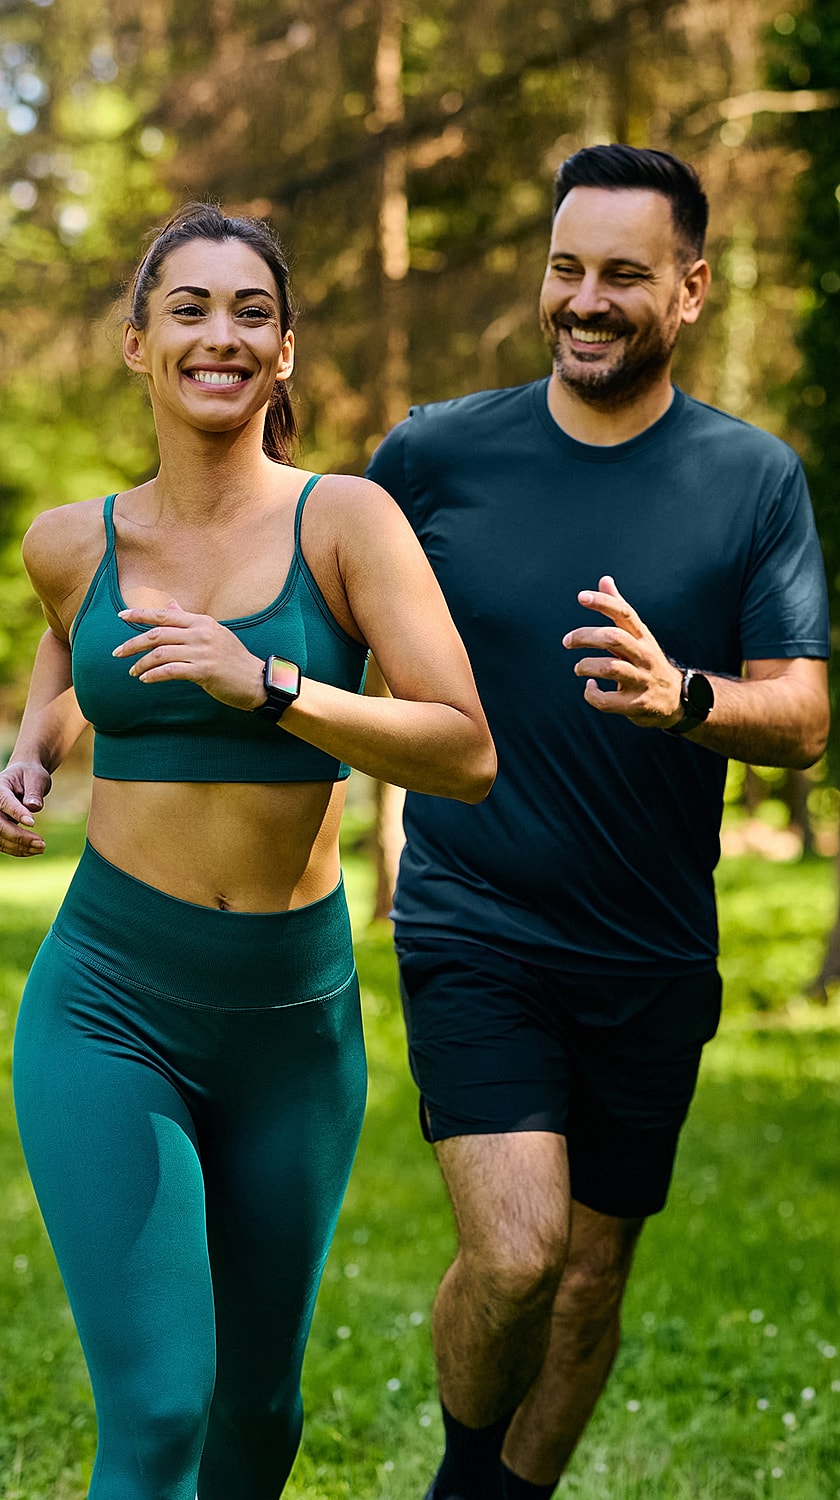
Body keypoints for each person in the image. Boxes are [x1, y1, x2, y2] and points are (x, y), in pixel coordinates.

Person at [0, 202, 495, 1500]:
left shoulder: (347, 524)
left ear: (283, 354)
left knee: (256, 1414)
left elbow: (464, 748)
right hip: (108, 1003)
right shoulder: (70, 541)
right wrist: (32, 748)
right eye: (189, 308)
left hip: (290, 1028)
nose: (221, 334)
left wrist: (266, 681)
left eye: (252, 313)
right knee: (159, 1410)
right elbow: (71, 642)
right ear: (136, 345)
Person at [366, 144, 830, 1500]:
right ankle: (464, 1483)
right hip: (475, 920)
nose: (585, 299)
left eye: (624, 276)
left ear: (691, 292)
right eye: (567, 269)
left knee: (589, 1282)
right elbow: (305, 610)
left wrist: (687, 696)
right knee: (518, 1255)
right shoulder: (435, 456)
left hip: (650, 947)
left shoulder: (755, 480)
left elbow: (803, 716)